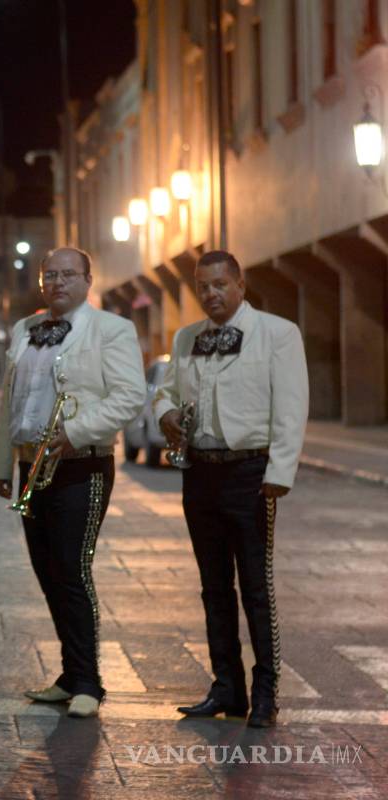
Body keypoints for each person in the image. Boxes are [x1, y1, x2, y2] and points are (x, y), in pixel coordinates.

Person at [155, 250, 307, 728]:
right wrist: (167, 413)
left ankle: (266, 694)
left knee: (256, 589)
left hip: (250, 473)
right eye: (203, 287)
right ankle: (227, 687)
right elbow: (164, 391)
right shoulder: (186, 338)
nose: (210, 294)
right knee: (212, 586)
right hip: (199, 473)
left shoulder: (278, 333)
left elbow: (291, 405)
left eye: (220, 284)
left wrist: (278, 472)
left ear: (240, 284)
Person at [0, 247, 145, 719]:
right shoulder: (24, 329)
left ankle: (89, 682)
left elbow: (130, 397)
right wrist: (3, 464)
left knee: (73, 571)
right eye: (49, 275)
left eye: (67, 275)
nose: (57, 283)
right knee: (48, 573)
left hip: (82, 464)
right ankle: (69, 672)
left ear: (87, 279)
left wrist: (74, 431)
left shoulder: (111, 329)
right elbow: (10, 401)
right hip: (29, 467)